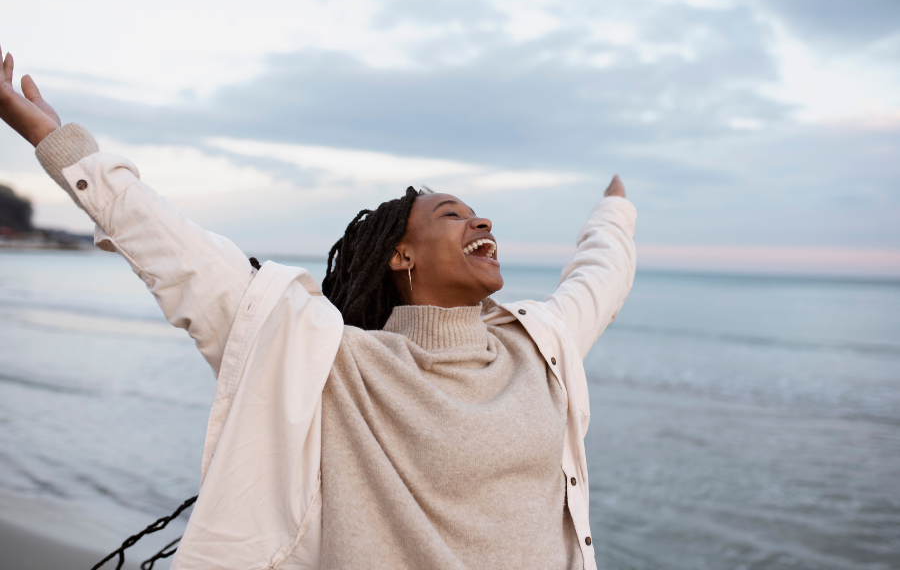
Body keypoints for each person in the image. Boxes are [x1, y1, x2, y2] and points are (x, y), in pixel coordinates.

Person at [0, 46, 636, 570]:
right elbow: (191, 262)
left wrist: (614, 211)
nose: (481, 220)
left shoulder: (537, 348)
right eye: (452, 214)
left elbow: (600, 279)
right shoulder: (334, 366)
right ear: (401, 255)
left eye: (478, 214)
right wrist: (57, 142)